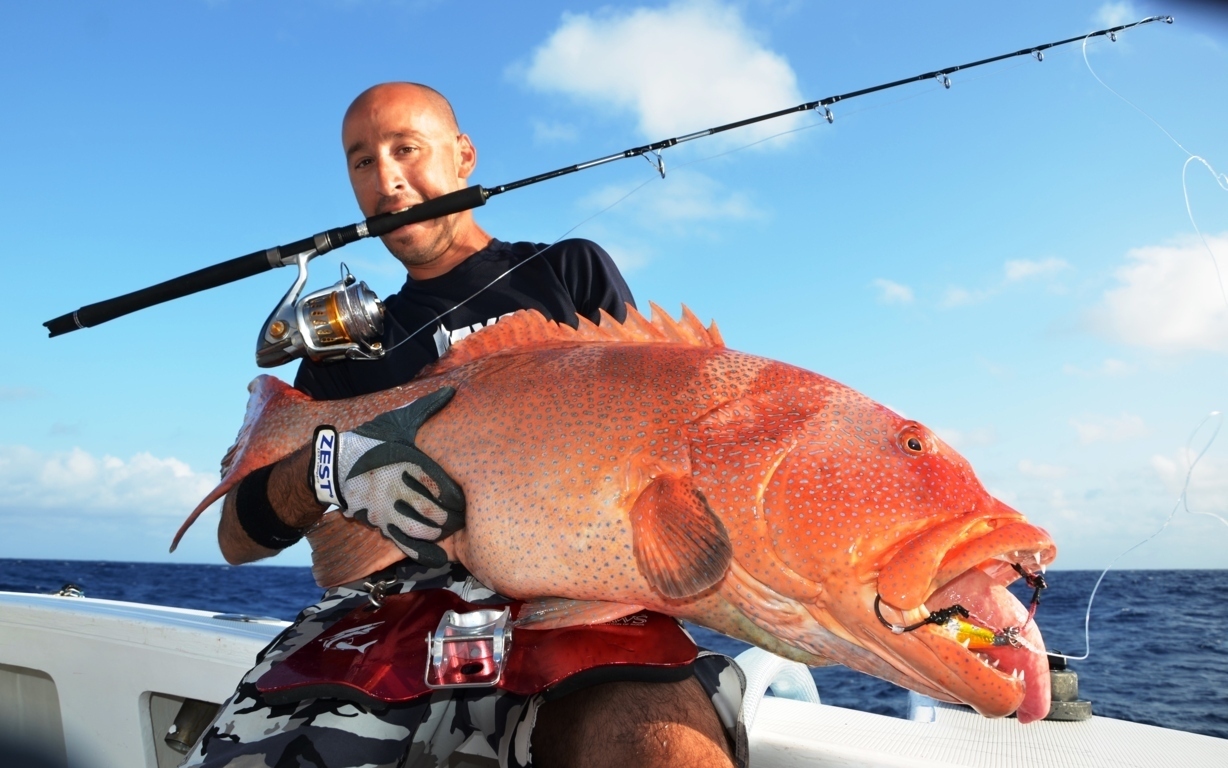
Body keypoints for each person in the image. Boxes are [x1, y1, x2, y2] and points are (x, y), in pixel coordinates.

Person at [184, 82, 747, 768]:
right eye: (362, 162)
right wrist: (326, 466)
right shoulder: (347, 352)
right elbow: (236, 539)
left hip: (577, 594)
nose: (388, 181)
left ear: (464, 156)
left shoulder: (566, 272)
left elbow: (657, 426)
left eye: (407, 149)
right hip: (388, 613)